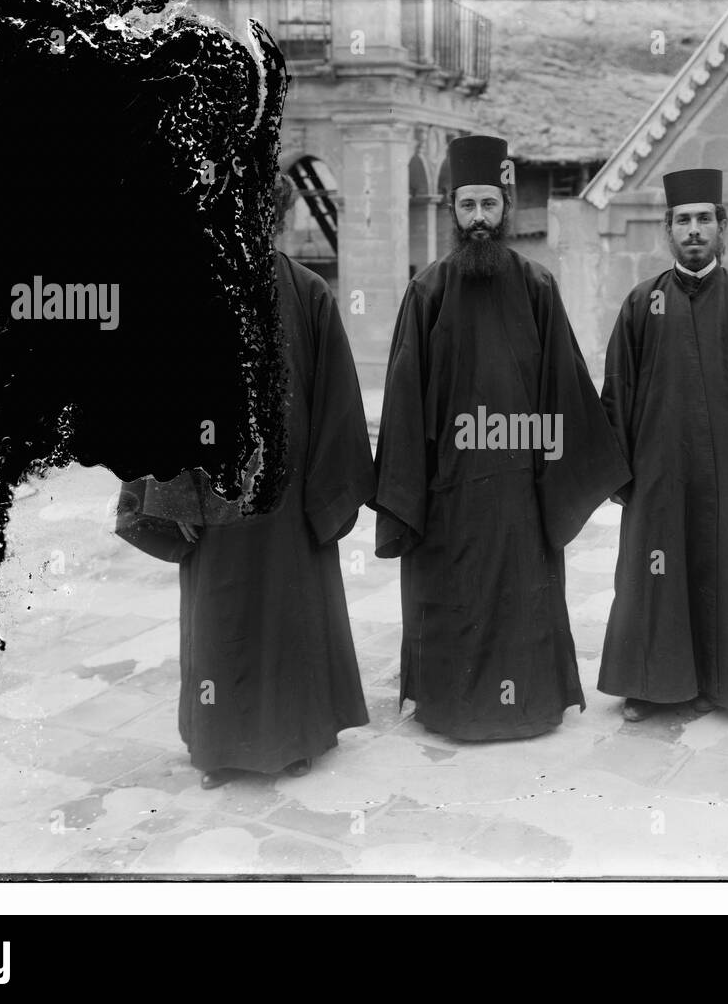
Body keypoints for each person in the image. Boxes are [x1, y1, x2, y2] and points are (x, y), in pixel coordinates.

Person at [116, 173, 373, 787]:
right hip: (215, 498)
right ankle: (219, 746)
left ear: (277, 215)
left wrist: (324, 497)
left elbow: (338, 398)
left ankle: (297, 734)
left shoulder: (310, 292)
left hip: (289, 502)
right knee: (219, 622)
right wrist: (170, 491)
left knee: (292, 614)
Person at [372, 134, 629, 741]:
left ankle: (528, 707)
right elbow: (405, 399)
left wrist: (556, 474)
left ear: (504, 207)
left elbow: (565, 388)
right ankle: (450, 708)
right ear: (453, 212)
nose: (479, 219)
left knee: (521, 601)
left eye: (489, 205)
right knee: (451, 600)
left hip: (520, 490)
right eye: (467, 207)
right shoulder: (427, 290)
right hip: (447, 491)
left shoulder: (537, 287)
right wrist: (409, 489)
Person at [598, 168, 728, 722]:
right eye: (683, 220)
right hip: (658, 477)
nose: (694, 230)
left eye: (704, 219)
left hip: (727, 479)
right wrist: (621, 476)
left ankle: (725, 683)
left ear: (722, 226)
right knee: (652, 578)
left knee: (725, 575)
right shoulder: (642, 304)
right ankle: (649, 685)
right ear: (667, 229)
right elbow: (616, 391)